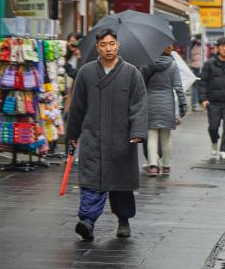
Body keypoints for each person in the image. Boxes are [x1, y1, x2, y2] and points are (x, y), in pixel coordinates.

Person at [66, 29, 148, 240]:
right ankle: (87, 221)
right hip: (93, 136)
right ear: (97, 47)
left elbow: (139, 105)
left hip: (122, 138)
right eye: (103, 45)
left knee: (121, 184)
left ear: (118, 45)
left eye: (112, 44)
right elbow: (77, 106)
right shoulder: (86, 72)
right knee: (92, 179)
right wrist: (72, 134)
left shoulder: (131, 73)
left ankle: (123, 220)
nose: (108, 48)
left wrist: (137, 131)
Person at [141, 45, 187, 177]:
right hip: (167, 104)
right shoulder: (172, 65)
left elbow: (140, 84)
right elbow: (178, 87)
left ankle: (153, 166)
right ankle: (166, 166)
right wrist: (183, 106)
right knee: (166, 138)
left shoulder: (147, 65)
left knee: (151, 137)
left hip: (150, 103)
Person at [189, 36, 203, 110]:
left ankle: (195, 103)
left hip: (194, 67)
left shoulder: (193, 47)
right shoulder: (199, 47)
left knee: (195, 86)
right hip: (198, 67)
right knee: (197, 86)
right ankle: (196, 103)